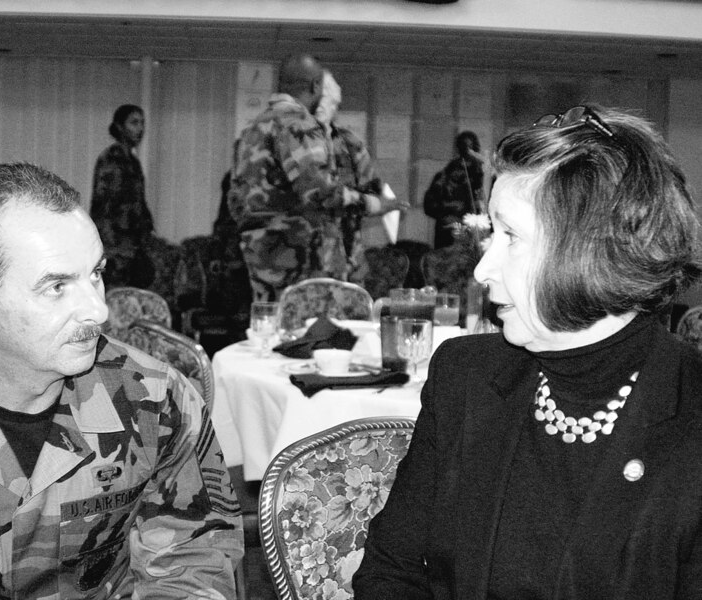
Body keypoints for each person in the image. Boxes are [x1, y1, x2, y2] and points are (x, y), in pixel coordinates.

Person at [354, 105, 702, 599]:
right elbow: (391, 569)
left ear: (595, 251)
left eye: (511, 236)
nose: (482, 270)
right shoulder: (466, 375)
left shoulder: (689, 415)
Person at [0, 163, 243, 598]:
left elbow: (194, 560)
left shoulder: (156, 401)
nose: (98, 310)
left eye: (95, 274)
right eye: (57, 286)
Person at [229, 54, 406, 301]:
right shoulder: (298, 123)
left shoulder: (252, 129)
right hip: (299, 258)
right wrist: (376, 204)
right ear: (315, 86)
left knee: (273, 322)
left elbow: (236, 201)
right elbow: (320, 192)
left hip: (261, 256)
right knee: (312, 324)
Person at [315, 69, 387, 285]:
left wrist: (351, 200)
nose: (321, 106)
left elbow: (373, 193)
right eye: (317, 100)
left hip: (347, 254)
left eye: (327, 101)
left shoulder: (350, 143)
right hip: (303, 257)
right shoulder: (292, 142)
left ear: (335, 106)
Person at [91, 104, 155, 288]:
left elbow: (138, 203)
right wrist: (108, 248)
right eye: (134, 123)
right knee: (114, 295)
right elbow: (103, 206)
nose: (140, 128)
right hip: (115, 246)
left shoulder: (132, 161)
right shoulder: (111, 158)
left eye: (142, 123)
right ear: (120, 127)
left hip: (133, 245)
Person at [423, 130, 485, 249]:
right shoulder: (444, 176)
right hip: (449, 234)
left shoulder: (482, 176)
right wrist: (447, 217)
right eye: (466, 148)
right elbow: (429, 205)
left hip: (474, 233)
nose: (470, 153)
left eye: (472, 149)